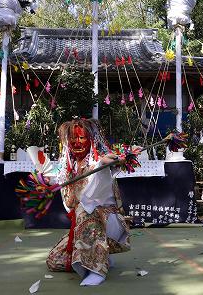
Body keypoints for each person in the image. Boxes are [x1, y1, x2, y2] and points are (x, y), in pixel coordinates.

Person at [46, 119, 130, 286]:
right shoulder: (69, 167)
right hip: (83, 223)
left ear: (91, 140)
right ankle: (103, 255)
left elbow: (102, 170)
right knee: (54, 260)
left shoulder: (97, 163)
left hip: (104, 220)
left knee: (85, 212)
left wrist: (108, 162)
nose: (77, 142)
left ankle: (96, 269)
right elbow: (68, 197)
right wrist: (46, 184)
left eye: (82, 138)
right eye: (73, 139)